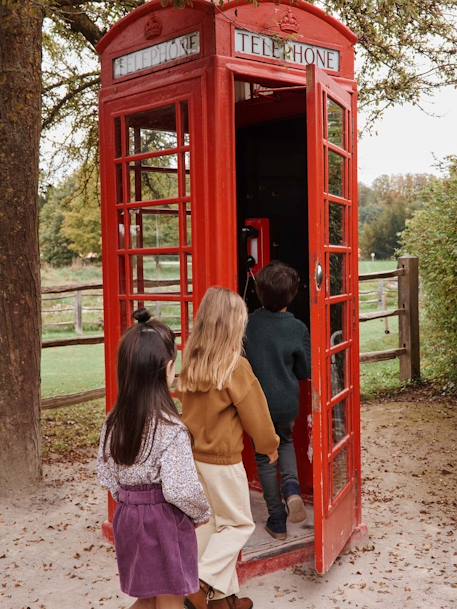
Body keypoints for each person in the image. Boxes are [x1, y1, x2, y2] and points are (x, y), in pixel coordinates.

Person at [97, 309, 211, 609]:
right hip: (164, 521)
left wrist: (129, 501)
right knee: (171, 595)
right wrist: (200, 514)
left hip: (128, 517)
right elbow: (181, 489)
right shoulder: (171, 428)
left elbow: (106, 474)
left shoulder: (113, 422)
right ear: (167, 369)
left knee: (146, 596)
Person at [178, 287, 279, 609]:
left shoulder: (192, 360)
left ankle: (223, 602)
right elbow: (257, 416)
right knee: (237, 524)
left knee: (210, 528)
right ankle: (202, 583)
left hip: (194, 459)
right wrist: (269, 446)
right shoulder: (235, 366)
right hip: (223, 461)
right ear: (236, 325)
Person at [245, 261, 311, 540]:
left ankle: (277, 519)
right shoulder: (297, 327)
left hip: (257, 403)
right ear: (292, 295)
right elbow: (304, 370)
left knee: (264, 456)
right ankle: (293, 490)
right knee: (284, 443)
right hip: (287, 401)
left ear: (259, 292)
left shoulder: (250, 322)